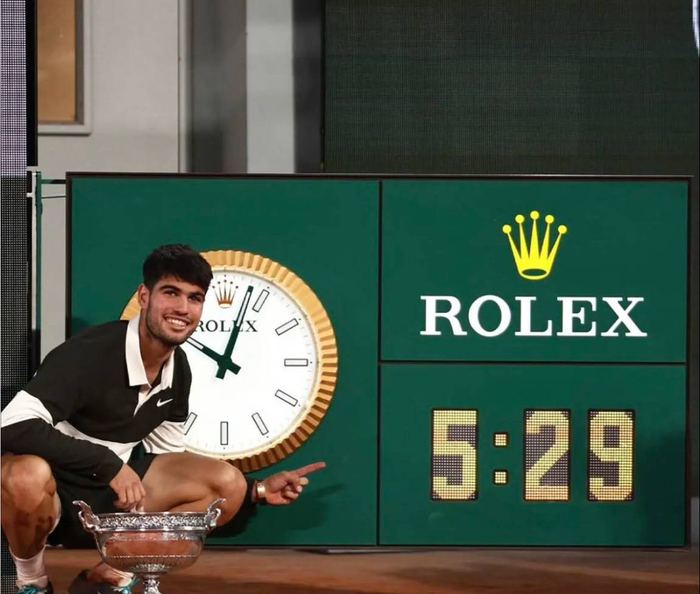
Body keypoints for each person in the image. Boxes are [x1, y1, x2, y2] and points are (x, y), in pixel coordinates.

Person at [1, 244, 325, 594]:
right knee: (25, 474)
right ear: (144, 296)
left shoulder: (178, 369)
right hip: (48, 498)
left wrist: (255, 489)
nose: (183, 308)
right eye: (171, 293)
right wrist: (107, 465)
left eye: (194, 298)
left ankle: (108, 577)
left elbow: (171, 460)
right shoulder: (87, 353)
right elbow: (11, 425)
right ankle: (32, 582)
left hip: (113, 502)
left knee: (226, 485)